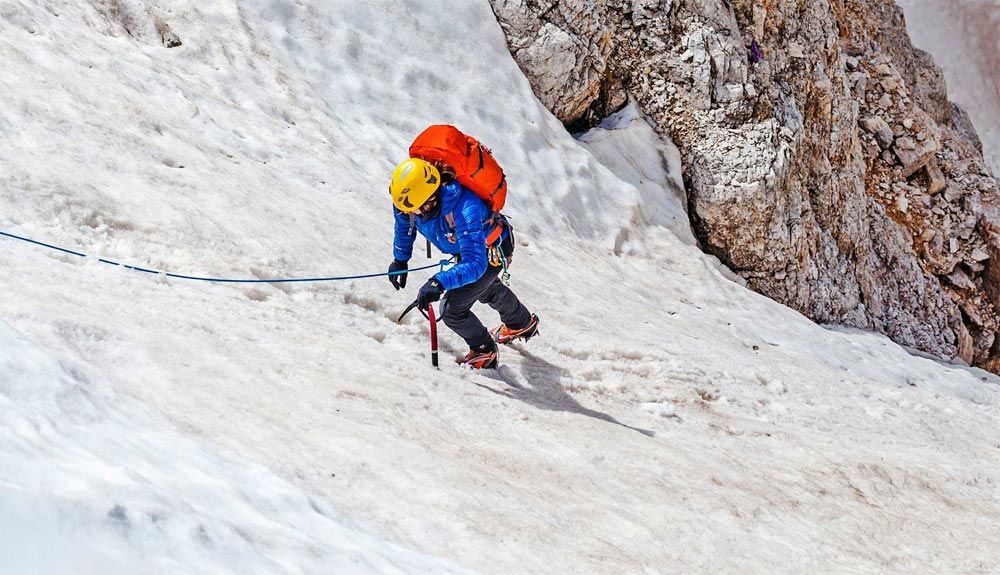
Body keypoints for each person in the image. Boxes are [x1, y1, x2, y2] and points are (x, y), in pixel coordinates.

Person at [388, 157, 539, 369]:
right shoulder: (409, 201)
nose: (411, 214)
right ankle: (520, 323)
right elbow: (404, 226)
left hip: (491, 251)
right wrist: (400, 259)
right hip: (466, 248)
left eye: (416, 209)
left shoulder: (465, 207)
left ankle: (484, 350)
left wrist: (439, 282)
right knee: (483, 289)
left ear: (431, 197)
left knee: (452, 309)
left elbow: (476, 263)